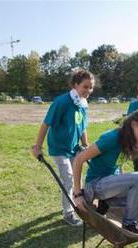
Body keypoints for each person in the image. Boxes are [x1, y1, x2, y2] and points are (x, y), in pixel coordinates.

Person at [72, 108, 138, 235]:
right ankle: (129, 224)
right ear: (134, 124)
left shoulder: (130, 140)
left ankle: (106, 203)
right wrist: (77, 193)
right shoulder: (112, 138)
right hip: (96, 184)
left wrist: (123, 183)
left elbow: (117, 164)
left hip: (110, 186)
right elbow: (78, 160)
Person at [32, 69, 94, 226]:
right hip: (59, 148)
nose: (88, 91)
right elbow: (46, 123)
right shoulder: (63, 101)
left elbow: (82, 126)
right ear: (75, 85)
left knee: (77, 177)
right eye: (85, 86)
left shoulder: (83, 104)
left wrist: (85, 144)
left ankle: (74, 202)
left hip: (74, 148)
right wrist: (37, 147)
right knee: (68, 179)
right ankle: (68, 214)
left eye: (91, 87)